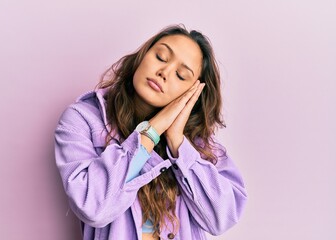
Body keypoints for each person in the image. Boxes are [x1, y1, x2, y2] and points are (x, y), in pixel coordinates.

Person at [54, 24, 247, 240]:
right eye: (161, 57)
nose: (163, 72)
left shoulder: (197, 144)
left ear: (192, 92)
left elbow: (221, 218)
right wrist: (152, 131)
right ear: (143, 56)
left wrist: (177, 142)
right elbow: (93, 207)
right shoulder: (82, 120)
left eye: (181, 75)